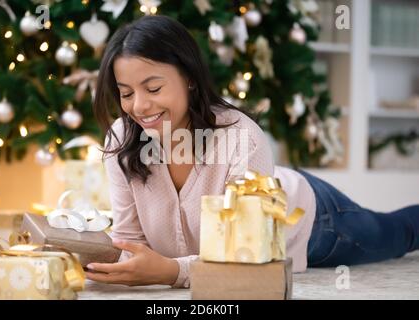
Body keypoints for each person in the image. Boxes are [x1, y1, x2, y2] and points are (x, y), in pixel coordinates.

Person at [88, 15, 419, 288]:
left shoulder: (241, 137)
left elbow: (245, 257)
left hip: (312, 219)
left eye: (154, 88)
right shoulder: (123, 141)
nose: (139, 106)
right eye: (126, 93)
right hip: (268, 180)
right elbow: (129, 240)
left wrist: (173, 272)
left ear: (189, 78)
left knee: (397, 234)